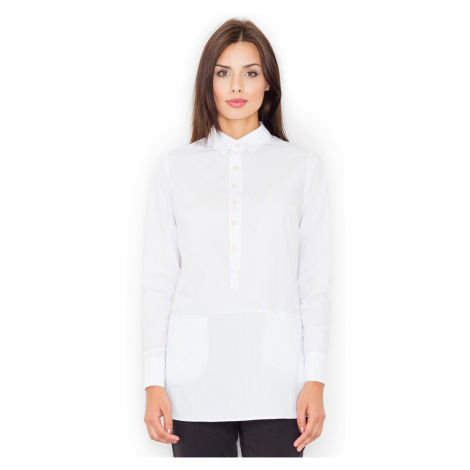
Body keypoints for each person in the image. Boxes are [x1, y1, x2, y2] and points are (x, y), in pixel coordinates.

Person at [142, 17, 331, 458]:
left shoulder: (303, 167)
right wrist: (153, 381)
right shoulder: (174, 169)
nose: (237, 86)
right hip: (192, 380)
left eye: (251, 72)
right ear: (208, 83)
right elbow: (159, 281)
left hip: (280, 380)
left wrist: (316, 379)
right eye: (223, 72)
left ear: (268, 84)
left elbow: (314, 283)